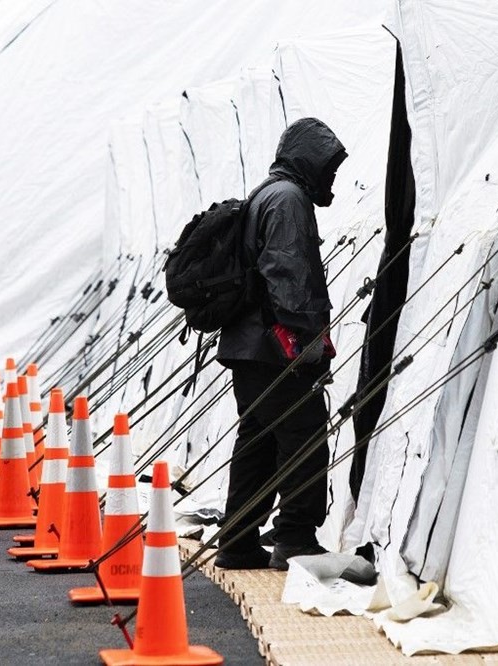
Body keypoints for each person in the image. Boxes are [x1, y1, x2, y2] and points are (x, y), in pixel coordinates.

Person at [214, 117, 347, 570]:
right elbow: (289, 279)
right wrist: (312, 344)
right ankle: (294, 537)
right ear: (309, 159)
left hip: (247, 348)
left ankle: (237, 540)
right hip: (275, 349)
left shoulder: (265, 194)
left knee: (259, 441)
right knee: (303, 435)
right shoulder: (289, 200)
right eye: (329, 167)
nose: (331, 178)